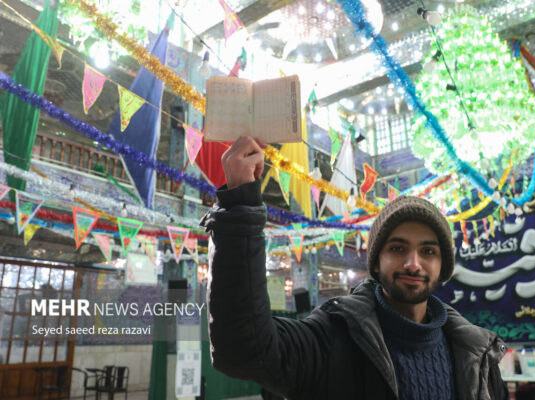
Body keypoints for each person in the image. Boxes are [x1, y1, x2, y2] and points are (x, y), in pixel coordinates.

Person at [200, 136, 509, 400]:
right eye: (398, 248)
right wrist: (239, 205)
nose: (413, 263)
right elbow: (243, 349)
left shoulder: (477, 356)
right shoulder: (331, 338)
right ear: (376, 262)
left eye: (428, 251)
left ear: (443, 266)